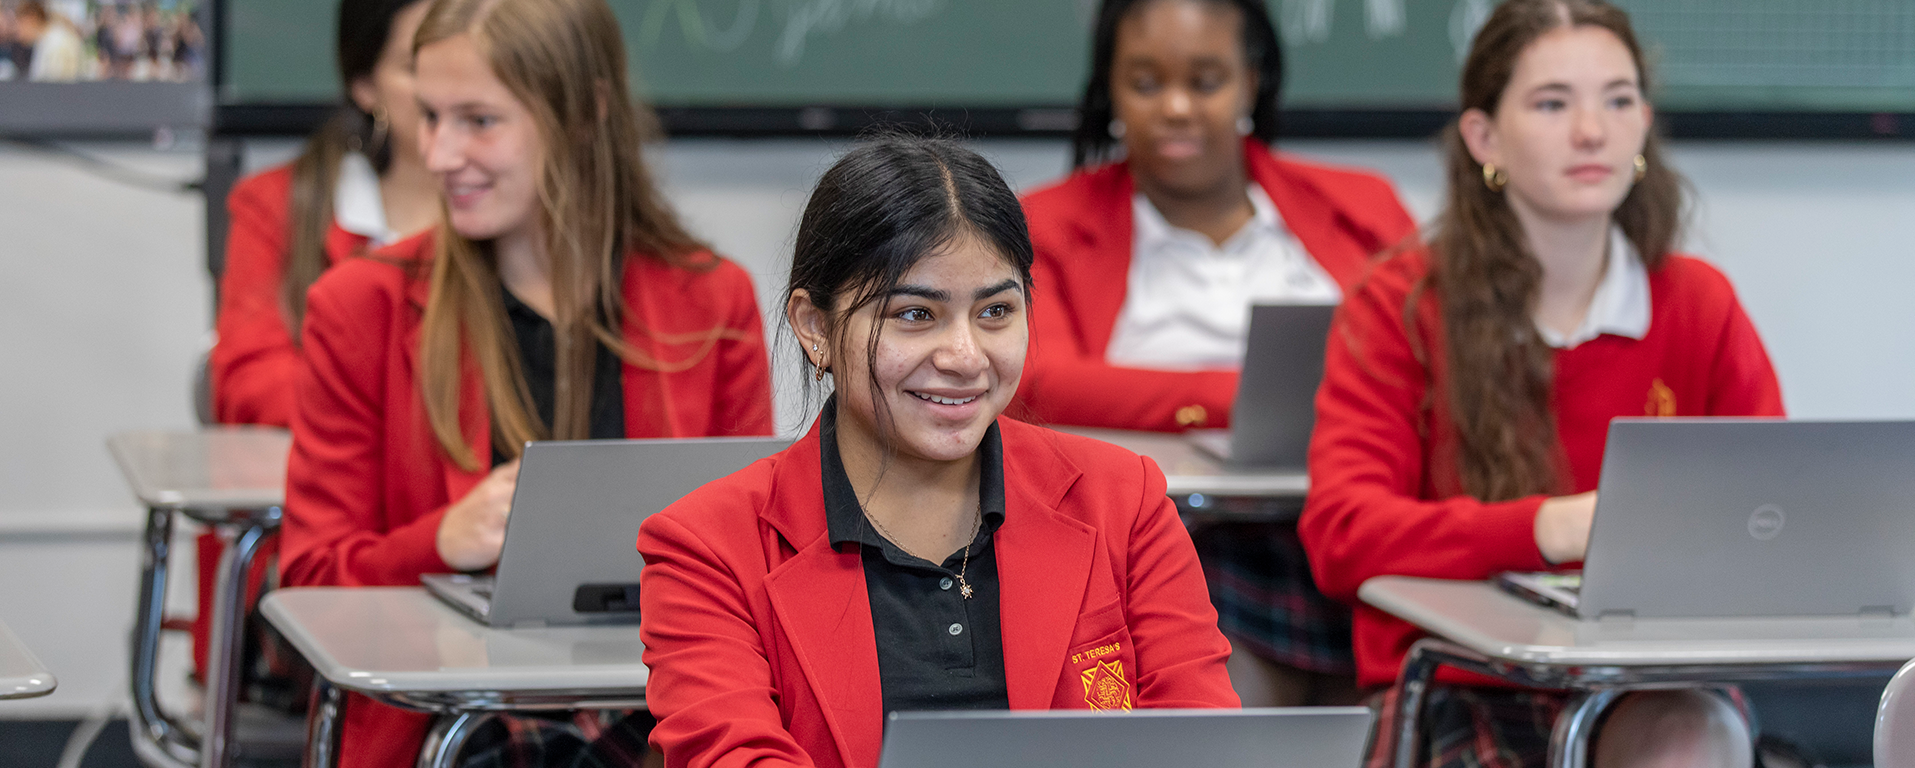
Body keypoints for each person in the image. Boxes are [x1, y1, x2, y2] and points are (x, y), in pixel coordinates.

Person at [637, 136, 1240, 768]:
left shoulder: (1123, 500)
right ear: (816, 327)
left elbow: (1199, 741)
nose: (965, 357)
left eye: (996, 311)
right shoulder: (707, 549)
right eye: (916, 314)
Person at [280, 0, 775, 764]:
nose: (439, 154)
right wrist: (439, 540)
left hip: (660, 717)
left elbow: (759, 568)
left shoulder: (711, 300)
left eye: (479, 121)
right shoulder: (361, 306)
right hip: (456, 730)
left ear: (584, 115)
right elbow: (310, 583)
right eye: (431, 116)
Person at [1297, 1, 1780, 765]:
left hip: (1649, 676)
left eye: (1618, 101)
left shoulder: (1699, 300)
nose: (1592, 131)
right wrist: (1549, 528)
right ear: (1483, 138)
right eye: (1553, 104)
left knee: (1694, 735)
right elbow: (1343, 533)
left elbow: (1773, 513)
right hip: (1462, 678)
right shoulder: (1401, 302)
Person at [1015, 0, 1417, 706]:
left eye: (1205, 81)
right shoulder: (1045, 222)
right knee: (1216, 681)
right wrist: (1244, 395)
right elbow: (1038, 380)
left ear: (1250, 84)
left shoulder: (1363, 206)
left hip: (1348, 526)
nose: (1176, 108)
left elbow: (1432, 353)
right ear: (1110, 90)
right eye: (1146, 83)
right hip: (1166, 532)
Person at [192, 0, 441, 694]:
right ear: (364, 86)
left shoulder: (512, 216)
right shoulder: (281, 203)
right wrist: (406, 421)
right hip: (329, 553)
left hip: (470, 556)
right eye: (418, 65)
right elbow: (248, 379)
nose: (444, 88)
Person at [15, 1, 85, 81]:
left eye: (19, 23)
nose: (17, 32)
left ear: (31, 18)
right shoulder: (44, 42)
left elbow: (56, 85)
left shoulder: (57, 44)